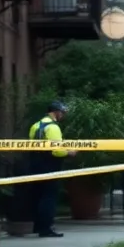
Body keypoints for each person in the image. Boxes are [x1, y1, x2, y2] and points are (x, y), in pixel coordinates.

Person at [28, 101, 76, 238]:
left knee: (38, 195)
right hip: (49, 165)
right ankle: (46, 228)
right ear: (56, 112)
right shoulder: (53, 128)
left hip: (35, 164)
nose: (62, 115)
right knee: (48, 197)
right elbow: (57, 151)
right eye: (62, 112)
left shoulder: (35, 126)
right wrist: (69, 152)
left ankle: (37, 226)